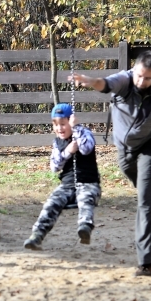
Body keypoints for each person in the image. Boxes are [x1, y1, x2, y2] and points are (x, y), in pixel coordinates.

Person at [71, 51, 151, 277]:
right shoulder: (124, 80)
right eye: (139, 76)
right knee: (148, 190)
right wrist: (88, 81)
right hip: (125, 149)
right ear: (134, 71)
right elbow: (104, 83)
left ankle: (148, 263)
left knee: (145, 199)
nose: (142, 81)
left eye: (148, 78)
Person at [24, 103, 102, 250]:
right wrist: (67, 152)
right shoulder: (57, 142)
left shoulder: (84, 133)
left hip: (88, 183)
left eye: (63, 124)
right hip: (67, 185)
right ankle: (37, 235)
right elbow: (54, 167)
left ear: (71, 121)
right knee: (51, 203)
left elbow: (86, 149)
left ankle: (85, 227)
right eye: (56, 125)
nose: (59, 128)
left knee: (85, 199)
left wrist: (77, 129)